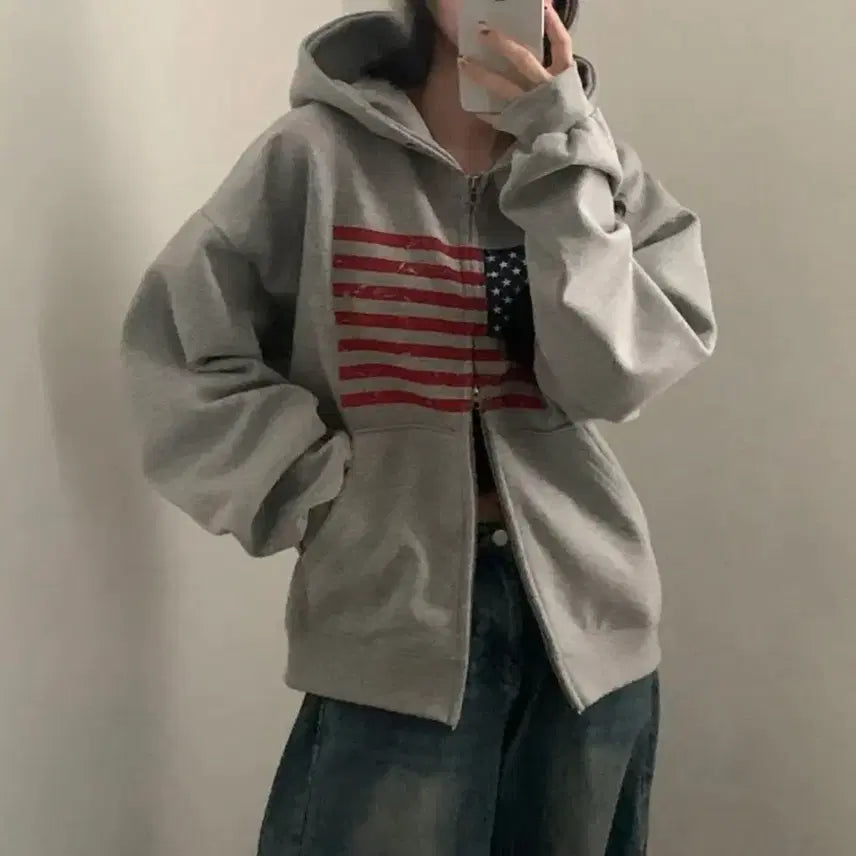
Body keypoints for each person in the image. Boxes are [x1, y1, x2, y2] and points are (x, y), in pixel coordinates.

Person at [121, 1, 716, 853]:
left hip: (590, 641)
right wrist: (320, 492)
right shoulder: (314, 155)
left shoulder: (599, 167)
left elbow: (609, 378)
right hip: (392, 632)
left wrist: (559, 155)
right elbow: (178, 347)